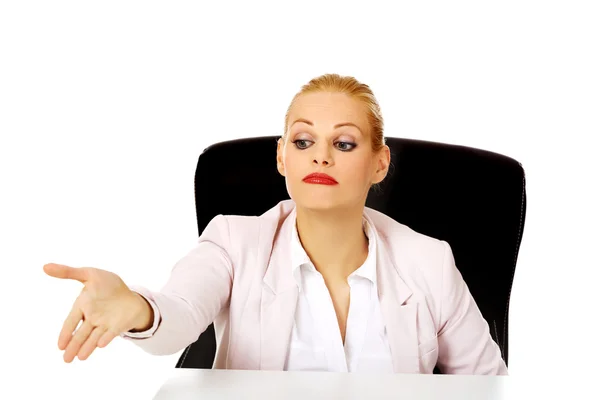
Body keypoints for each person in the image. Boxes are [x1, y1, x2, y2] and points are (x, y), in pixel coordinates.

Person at [44, 73, 508, 375]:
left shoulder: (429, 261)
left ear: (380, 163)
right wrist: (138, 310)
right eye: (303, 140)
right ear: (282, 157)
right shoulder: (232, 242)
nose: (321, 155)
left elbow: (488, 385)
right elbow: (180, 313)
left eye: (344, 144)